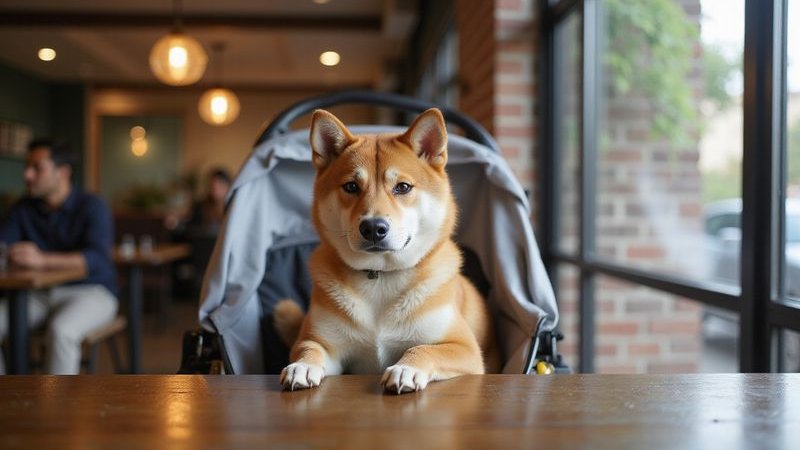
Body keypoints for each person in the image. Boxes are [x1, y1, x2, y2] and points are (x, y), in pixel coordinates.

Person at [0, 140, 118, 374]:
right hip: (37, 294)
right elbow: (3, 246)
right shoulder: (24, 208)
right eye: (27, 167)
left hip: (92, 291)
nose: (27, 175)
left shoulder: (92, 205)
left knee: (61, 331)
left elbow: (96, 258)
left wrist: (42, 260)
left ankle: (56, 409)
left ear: (62, 172)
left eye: (37, 168)